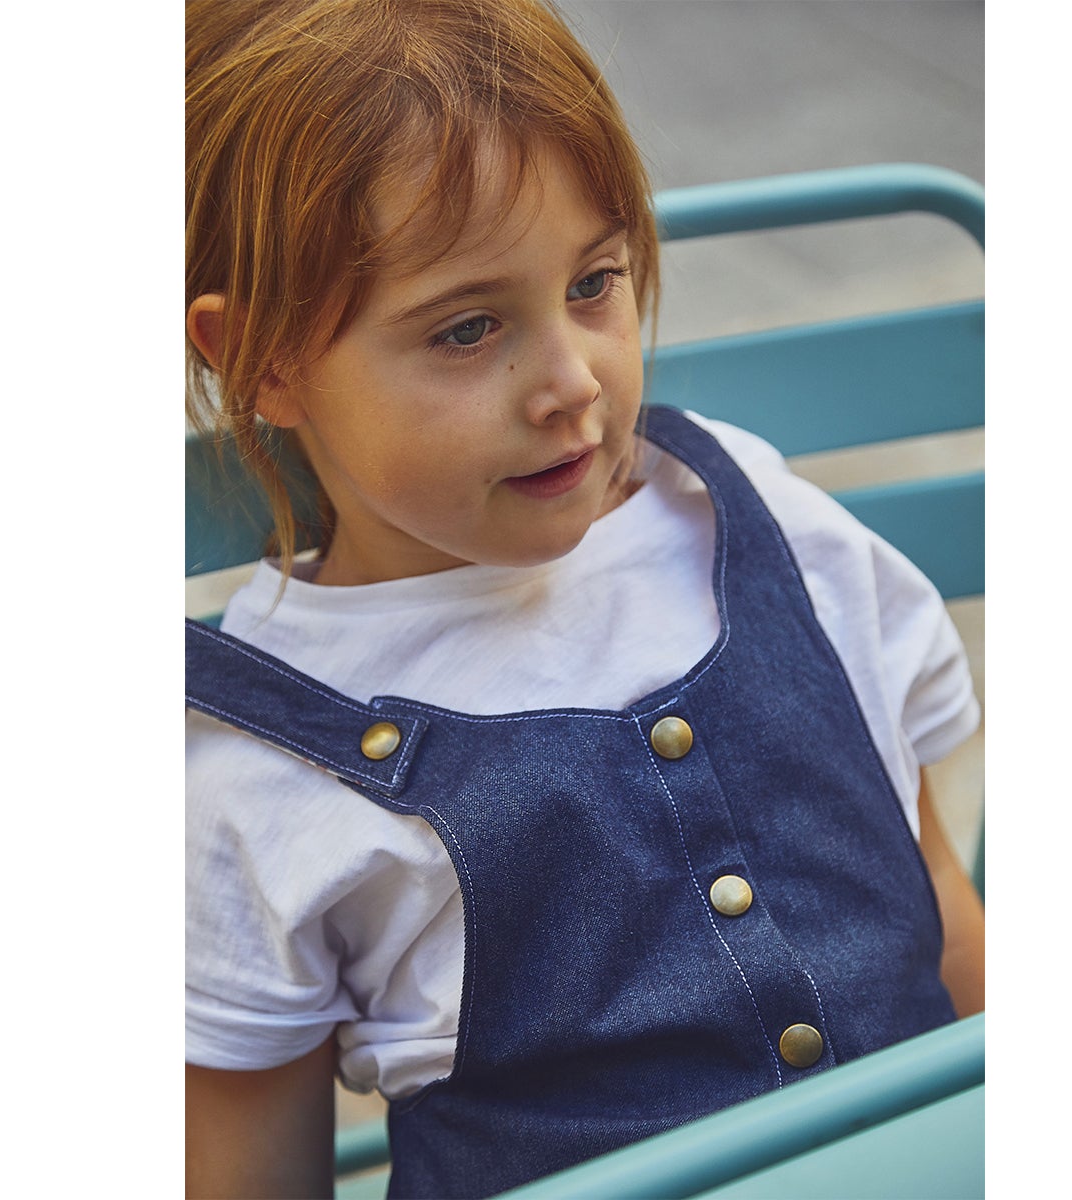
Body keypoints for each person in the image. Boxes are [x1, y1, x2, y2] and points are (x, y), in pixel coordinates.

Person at [184, 1, 986, 1196]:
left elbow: (947, 927)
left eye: (595, 281)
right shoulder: (256, 778)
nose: (571, 382)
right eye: (467, 329)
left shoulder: (765, 526)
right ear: (267, 360)